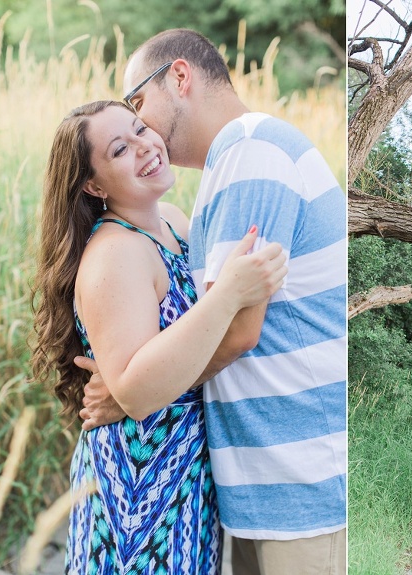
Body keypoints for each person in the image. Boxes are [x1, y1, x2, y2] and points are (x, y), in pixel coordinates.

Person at [79, 28, 347, 574]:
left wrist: (133, 388)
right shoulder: (230, 163)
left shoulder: (250, 149)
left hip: (296, 483)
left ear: (179, 77)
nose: (145, 133)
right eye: (122, 140)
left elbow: (238, 329)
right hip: (254, 486)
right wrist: (135, 382)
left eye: (139, 108)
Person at [31, 100, 287, 573]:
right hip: (137, 485)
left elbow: (166, 359)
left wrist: (128, 388)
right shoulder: (114, 254)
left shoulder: (172, 221)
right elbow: (139, 390)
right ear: (93, 184)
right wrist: (228, 294)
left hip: (186, 475)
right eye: (120, 149)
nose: (145, 147)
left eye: (140, 130)